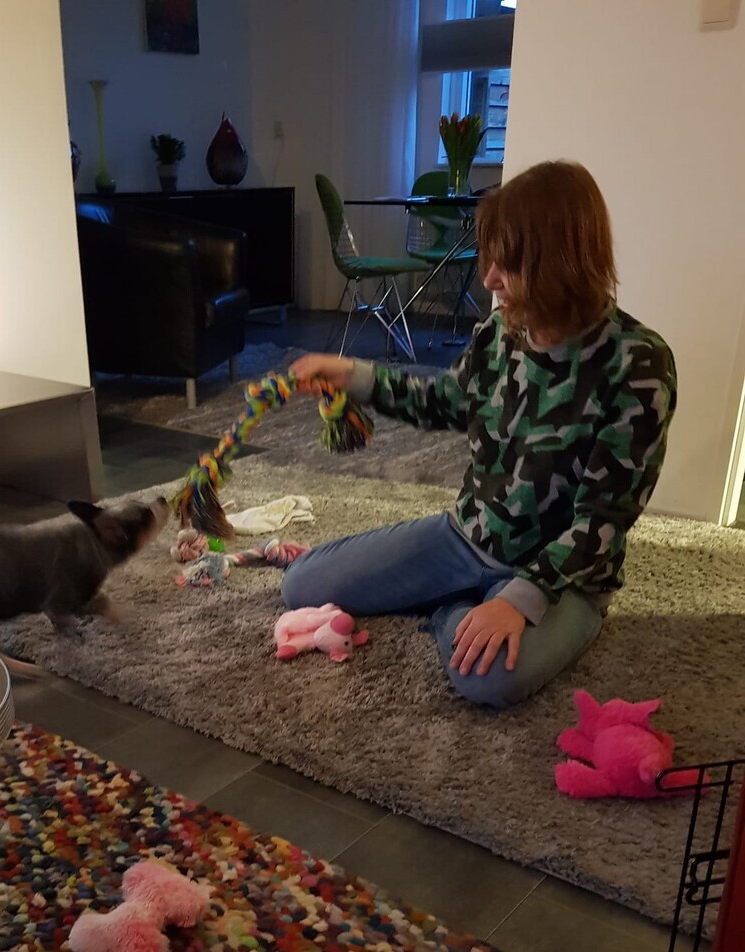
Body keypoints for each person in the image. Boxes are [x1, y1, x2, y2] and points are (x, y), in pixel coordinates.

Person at [284, 160, 677, 709]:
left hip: (565, 578)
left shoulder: (639, 364)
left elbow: (603, 521)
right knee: (299, 586)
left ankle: (455, 606)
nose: (489, 280)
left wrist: (519, 599)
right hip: (467, 537)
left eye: (507, 265)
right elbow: (446, 401)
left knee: (489, 679)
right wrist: (353, 375)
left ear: (561, 264)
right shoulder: (499, 331)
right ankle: (462, 599)